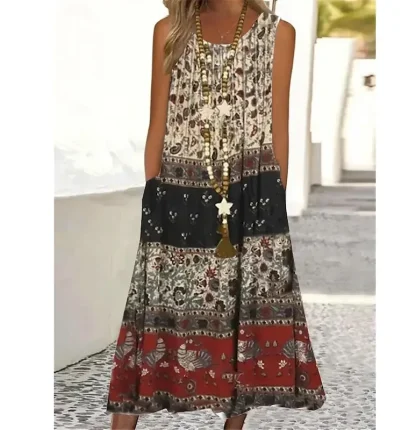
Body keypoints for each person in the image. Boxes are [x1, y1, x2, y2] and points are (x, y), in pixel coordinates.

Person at [107, 0, 326, 429]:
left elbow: (278, 128)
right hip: (176, 196)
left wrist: (271, 212)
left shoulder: (278, 35)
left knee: (244, 316)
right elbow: (158, 122)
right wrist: (154, 196)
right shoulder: (171, 29)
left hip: (250, 196)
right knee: (150, 315)